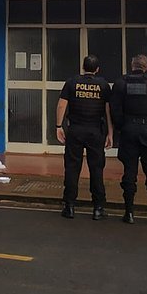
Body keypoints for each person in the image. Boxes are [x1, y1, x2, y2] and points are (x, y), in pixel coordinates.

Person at [111, 54, 147, 226]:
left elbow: (115, 109)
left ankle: (129, 213)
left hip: (129, 130)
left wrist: (122, 126)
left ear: (132, 66)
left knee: (129, 172)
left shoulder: (120, 83)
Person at [56, 55, 113, 220]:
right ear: (97, 69)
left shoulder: (72, 82)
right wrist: (110, 133)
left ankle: (69, 206)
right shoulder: (103, 85)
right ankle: (98, 208)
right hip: (95, 131)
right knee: (97, 169)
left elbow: (61, 105)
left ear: (83, 67)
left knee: (72, 168)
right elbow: (108, 111)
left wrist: (58, 126)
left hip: (75, 130)